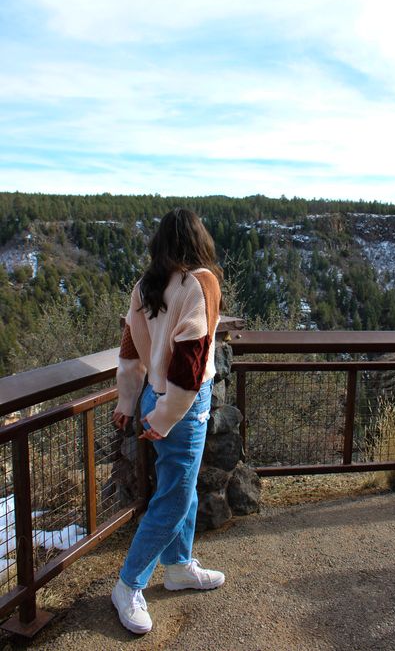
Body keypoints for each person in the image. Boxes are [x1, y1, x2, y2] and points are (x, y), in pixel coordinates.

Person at [111, 208, 225, 635]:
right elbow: (193, 362)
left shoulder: (146, 286)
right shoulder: (202, 282)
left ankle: (177, 567)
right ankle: (127, 585)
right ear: (199, 241)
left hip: (153, 395)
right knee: (175, 497)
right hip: (182, 404)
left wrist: (131, 401)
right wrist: (167, 415)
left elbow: (129, 351)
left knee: (182, 485)